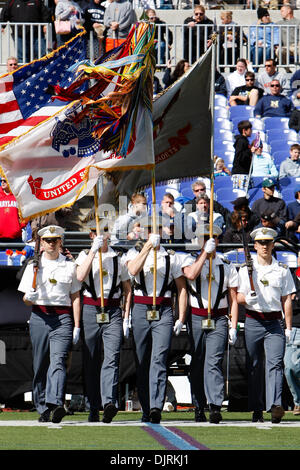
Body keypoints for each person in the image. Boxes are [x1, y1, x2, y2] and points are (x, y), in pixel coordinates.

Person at [17, 225, 82, 423]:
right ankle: (42, 406)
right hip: (39, 316)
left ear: (61, 242)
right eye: (47, 240)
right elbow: (26, 300)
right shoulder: (33, 266)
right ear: (42, 243)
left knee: (58, 361)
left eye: (55, 240)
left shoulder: (70, 266)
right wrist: (30, 297)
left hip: (62, 318)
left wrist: (77, 325)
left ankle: (55, 404)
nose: (51, 244)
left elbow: (76, 296)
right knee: (40, 363)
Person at [125, 224, 187, 424]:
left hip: (164, 309)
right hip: (141, 308)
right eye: (149, 229)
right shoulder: (133, 252)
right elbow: (133, 270)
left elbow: (182, 288)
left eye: (157, 229)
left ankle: (155, 407)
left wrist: (181, 317)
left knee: (158, 360)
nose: (153, 232)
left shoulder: (171, 256)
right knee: (142, 360)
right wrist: (147, 248)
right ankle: (145, 405)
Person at [181, 224, 239, 423]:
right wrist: (204, 254)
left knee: (213, 362)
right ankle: (199, 405)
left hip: (219, 317)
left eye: (213, 237)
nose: (210, 240)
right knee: (197, 362)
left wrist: (233, 325)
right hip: (196, 317)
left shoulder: (226, 264)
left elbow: (232, 297)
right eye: (205, 237)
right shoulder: (190, 259)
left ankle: (215, 405)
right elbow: (191, 275)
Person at [237, 227, 295, 423]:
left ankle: (275, 405)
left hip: (274, 322)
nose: (264, 246)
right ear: (254, 245)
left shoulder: (282, 269)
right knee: (254, 365)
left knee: (275, 365)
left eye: (268, 242)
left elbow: (286, 299)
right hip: (253, 320)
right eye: (261, 243)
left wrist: (287, 327)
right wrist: (247, 299)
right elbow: (237, 297)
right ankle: (256, 407)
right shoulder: (246, 269)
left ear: (273, 245)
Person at [75, 222, 132, 423]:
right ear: (91, 235)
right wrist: (92, 252)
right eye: (96, 232)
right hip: (91, 308)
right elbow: (80, 277)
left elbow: (127, 288)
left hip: (113, 309)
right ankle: (92, 406)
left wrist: (126, 316)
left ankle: (109, 403)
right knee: (91, 360)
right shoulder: (84, 255)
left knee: (112, 358)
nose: (101, 235)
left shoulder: (118, 257)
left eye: (104, 232)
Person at [284, 263, 300, 416]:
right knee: (289, 367)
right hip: (293, 327)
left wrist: (294, 300)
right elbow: (285, 301)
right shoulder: (289, 276)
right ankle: (298, 401)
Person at [231, 120, 256, 193]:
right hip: (240, 174)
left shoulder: (245, 141)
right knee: (242, 195)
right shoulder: (241, 141)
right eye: (250, 129)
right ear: (244, 130)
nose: (251, 131)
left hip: (245, 173)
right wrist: (250, 151)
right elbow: (239, 157)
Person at [0, 177, 27, 242]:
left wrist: (18, 227)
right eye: (1, 181)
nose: (2, 182)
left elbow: (26, 213)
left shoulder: (18, 195)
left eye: (5, 181)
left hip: (16, 237)